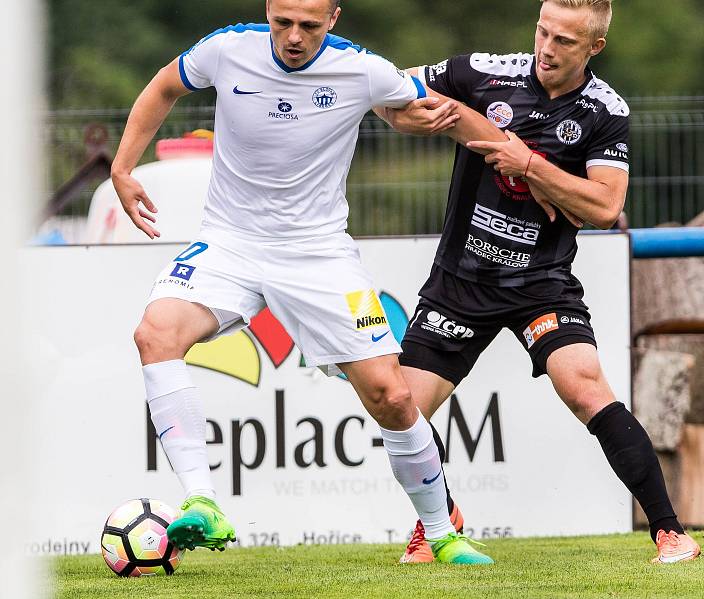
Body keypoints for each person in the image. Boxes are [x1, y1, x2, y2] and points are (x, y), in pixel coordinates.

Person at [111, 0, 504, 564]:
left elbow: (427, 111)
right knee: (155, 335)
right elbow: (162, 87)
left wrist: (517, 158)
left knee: (391, 395)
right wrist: (122, 169)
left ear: (335, 18)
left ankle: (442, 533)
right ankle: (204, 502)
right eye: (282, 22)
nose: (294, 37)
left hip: (319, 256)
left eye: (310, 26)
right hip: (230, 242)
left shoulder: (363, 67)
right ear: (268, 11)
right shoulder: (226, 48)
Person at [380, 0, 700, 565]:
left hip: (541, 284)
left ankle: (671, 533)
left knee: (584, 387)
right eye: (543, 32)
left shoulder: (606, 110)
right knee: (400, 405)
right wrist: (405, 117)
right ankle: (439, 520)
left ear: (594, 48)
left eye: (565, 41)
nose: (548, 49)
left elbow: (605, 207)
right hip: (460, 283)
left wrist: (528, 164)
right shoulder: (484, 72)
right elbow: (387, 90)